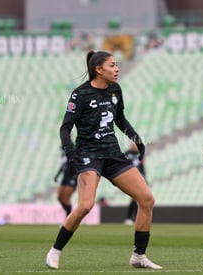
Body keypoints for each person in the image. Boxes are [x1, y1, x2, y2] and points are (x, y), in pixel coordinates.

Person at [46, 50, 162, 270]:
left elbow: (120, 119)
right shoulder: (80, 94)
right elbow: (65, 128)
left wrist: (136, 138)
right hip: (89, 155)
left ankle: (138, 256)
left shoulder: (115, 90)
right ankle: (55, 251)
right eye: (112, 65)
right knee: (85, 206)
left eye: (117, 65)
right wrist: (71, 153)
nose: (117, 69)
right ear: (99, 70)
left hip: (113, 155)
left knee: (147, 199)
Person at [123, 142, 146, 225]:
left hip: (138, 178)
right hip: (130, 178)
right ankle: (130, 218)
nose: (133, 146)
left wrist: (145, 179)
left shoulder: (140, 154)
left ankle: (131, 218)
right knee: (135, 198)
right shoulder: (127, 153)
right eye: (132, 144)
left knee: (136, 199)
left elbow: (142, 167)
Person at [54, 149, 77, 216]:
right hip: (65, 176)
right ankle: (69, 214)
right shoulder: (63, 152)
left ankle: (68, 218)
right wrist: (57, 175)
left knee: (66, 198)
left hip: (72, 176)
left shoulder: (71, 148)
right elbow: (63, 164)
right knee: (60, 198)